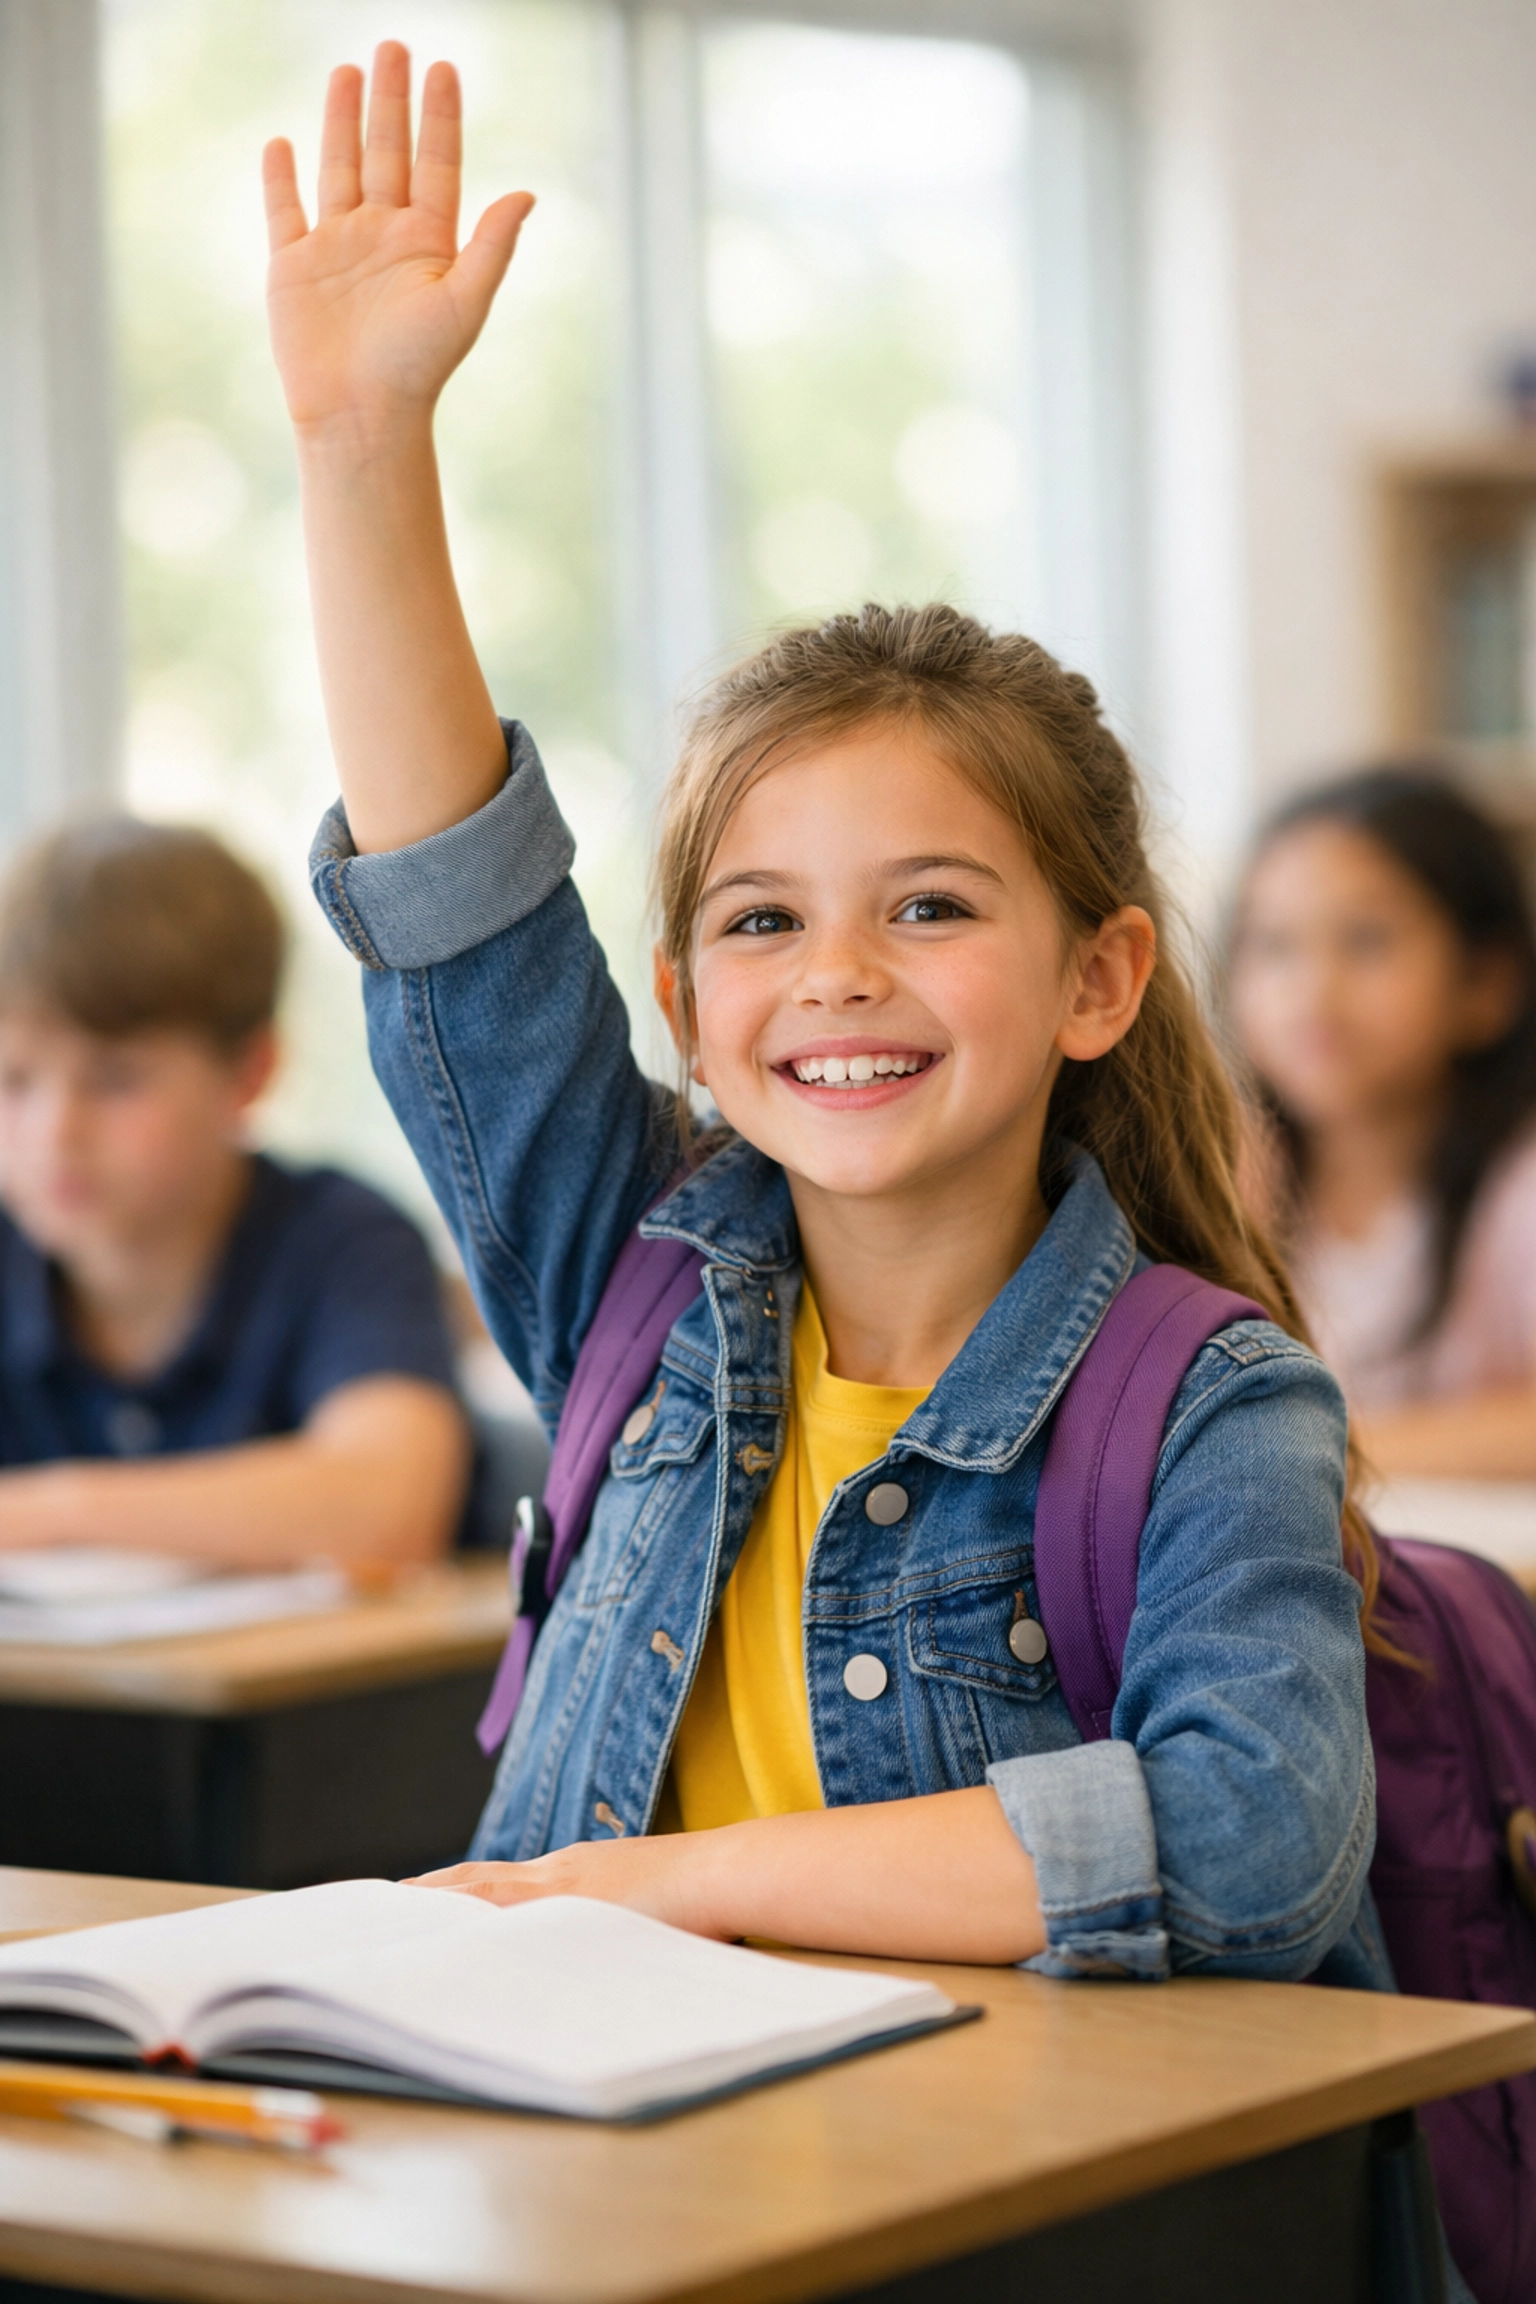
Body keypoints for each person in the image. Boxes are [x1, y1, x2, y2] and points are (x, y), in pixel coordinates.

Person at [265, 43, 1382, 1982]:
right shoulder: (638, 1284)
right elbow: (461, 920)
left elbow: (1252, 1834)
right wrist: (366, 447)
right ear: (692, 1009)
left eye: (931, 907)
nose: (840, 974)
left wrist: (654, 1887)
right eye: (765, 920)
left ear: (1099, 977)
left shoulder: (1215, 1407)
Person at [0, 815, 470, 1567]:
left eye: (116, 1080)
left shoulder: (346, 1240)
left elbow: (387, 1506)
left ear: (249, 1074)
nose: (55, 1134)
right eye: (14, 1080)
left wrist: (57, 1511)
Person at [1228, 766, 1536, 1481]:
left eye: (1366, 940)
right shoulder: (1229, 1180)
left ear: (1485, 984)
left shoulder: (1518, 1187)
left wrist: (1312, 1445)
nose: (1314, 992)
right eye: (1274, 945)